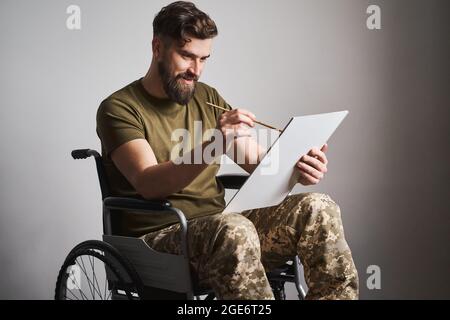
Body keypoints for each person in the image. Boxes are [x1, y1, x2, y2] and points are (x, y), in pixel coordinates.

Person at [96, 1, 358, 300]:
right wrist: (215, 142)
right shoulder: (119, 108)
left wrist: (296, 170)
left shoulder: (207, 97)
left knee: (318, 207)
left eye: (204, 59)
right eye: (186, 56)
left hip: (223, 232)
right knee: (234, 227)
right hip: (159, 239)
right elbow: (149, 183)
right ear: (157, 47)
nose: (195, 70)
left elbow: (259, 164)